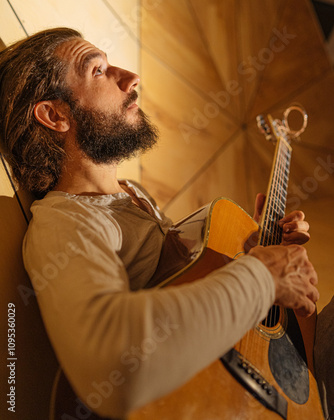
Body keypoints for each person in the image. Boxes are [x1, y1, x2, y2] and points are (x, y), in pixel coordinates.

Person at [0, 28, 318, 419]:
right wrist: (265, 276)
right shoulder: (65, 221)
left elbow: (181, 281)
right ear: (55, 115)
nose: (130, 78)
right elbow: (115, 367)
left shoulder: (133, 194)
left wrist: (247, 253)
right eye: (98, 70)